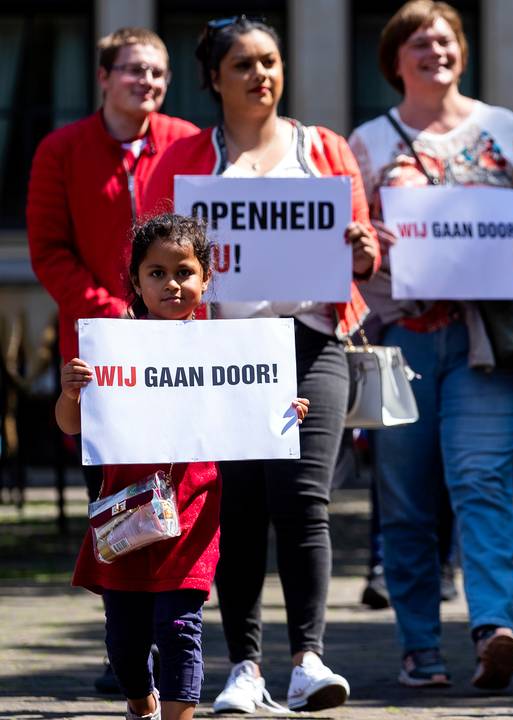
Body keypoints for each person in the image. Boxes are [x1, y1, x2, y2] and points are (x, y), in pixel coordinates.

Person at [139, 16, 379, 713]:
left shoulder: (325, 149)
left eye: (270, 61)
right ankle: (244, 669)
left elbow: (362, 259)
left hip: (311, 342)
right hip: (223, 351)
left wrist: (362, 251)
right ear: (214, 78)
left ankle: (308, 660)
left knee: (305, 502)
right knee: (237, 508)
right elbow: (156, 260)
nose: (260, 75)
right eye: (242, 64)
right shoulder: (183, 158)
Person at [346, 0, 513, 691]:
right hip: (402, 343)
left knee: (481, 481)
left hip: (492, 340)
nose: (437, 50)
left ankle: (493, 628)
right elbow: (348, 247)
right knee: (405, 502)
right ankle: (419, 647)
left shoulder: (504, 128)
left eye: (448, 39)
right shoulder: (366, 142)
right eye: (420, 41)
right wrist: (372, 249)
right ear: (394, 59)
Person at [59, 213, 309, 720]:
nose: (171, 284)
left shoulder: (226, 347)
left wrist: (283, 412)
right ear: (135, 280)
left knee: (180, 627)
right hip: (124, 515)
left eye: (184, 272)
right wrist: (70, 393)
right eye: (156, 273)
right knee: (124, 641)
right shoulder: (112, 345)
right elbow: (69, 426)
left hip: (193, 514)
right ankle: (140, 700)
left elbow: (252, 410)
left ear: (206, 278)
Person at [26, 26, 200, 694]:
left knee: (183, 488)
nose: (147, 83)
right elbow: (47, 250)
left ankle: (170, 632)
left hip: (181, 353)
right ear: (103, 77)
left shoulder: (186, 142)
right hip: (102, 357)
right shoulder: (61, 149)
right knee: (118, 496)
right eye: (133, 71)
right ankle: (126, 647)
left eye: (157, 72)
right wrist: (110, 307)